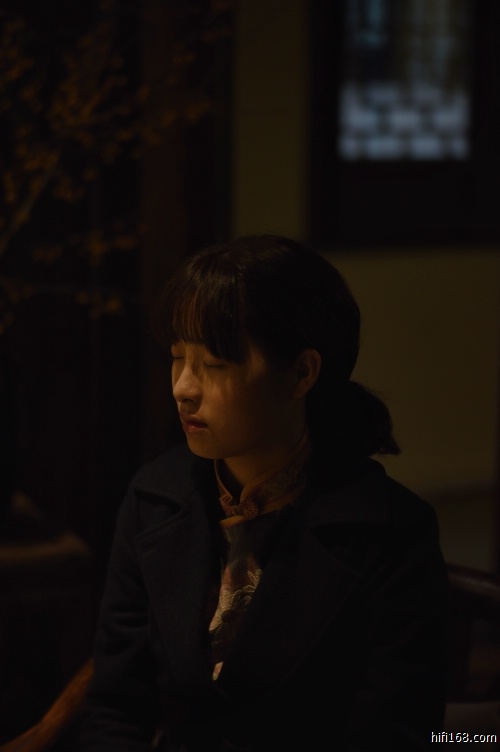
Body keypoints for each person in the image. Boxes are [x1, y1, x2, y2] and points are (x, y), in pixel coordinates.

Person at [80, 234, 449, 751]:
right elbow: (116, 706)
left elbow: (398, 732)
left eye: (214, 364)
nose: (183, 387)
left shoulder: (387, 531)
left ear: (300, 373)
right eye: (178, 357)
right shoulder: (156, 498)